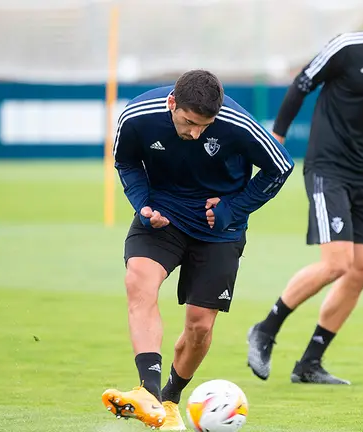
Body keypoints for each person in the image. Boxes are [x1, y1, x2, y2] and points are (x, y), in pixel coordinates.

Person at [246, 0, 363, 385]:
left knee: (362, 270)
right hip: (327, 167)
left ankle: (309, 363)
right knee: (337, 263)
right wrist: (276, 137)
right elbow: (302, 83)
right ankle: (266, 329)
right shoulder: (348, 46)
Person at [101, 69, 294, 429]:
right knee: (138, 282)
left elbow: (280, 167)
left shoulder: (238, 123)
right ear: (172, 103)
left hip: (220, 229)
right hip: (163, 216)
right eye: (189, 122)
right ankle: (148, 391)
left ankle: (170, 401)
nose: (196, 133)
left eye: (205, 126)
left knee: (199, 327)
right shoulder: (137, 115)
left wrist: (232, 209)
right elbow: (125, 160)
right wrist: (142, 203)